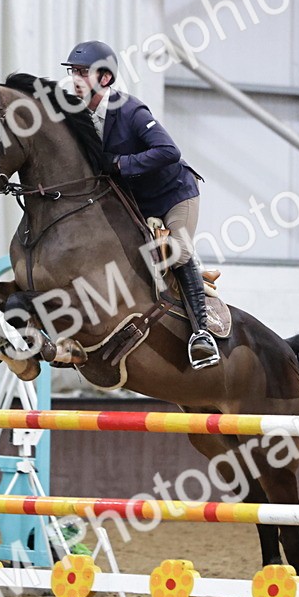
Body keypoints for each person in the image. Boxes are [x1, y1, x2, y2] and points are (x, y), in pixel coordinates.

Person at [62, 40, 219, 369]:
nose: (75, 79)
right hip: (135, 201)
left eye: (82, 73)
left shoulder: (130, 110)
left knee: (179, 251)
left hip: (174, 194)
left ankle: (201, 335)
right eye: (73, 72)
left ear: (105, 79)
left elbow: (168, 152)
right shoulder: (77, 115)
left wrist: (120, 165)